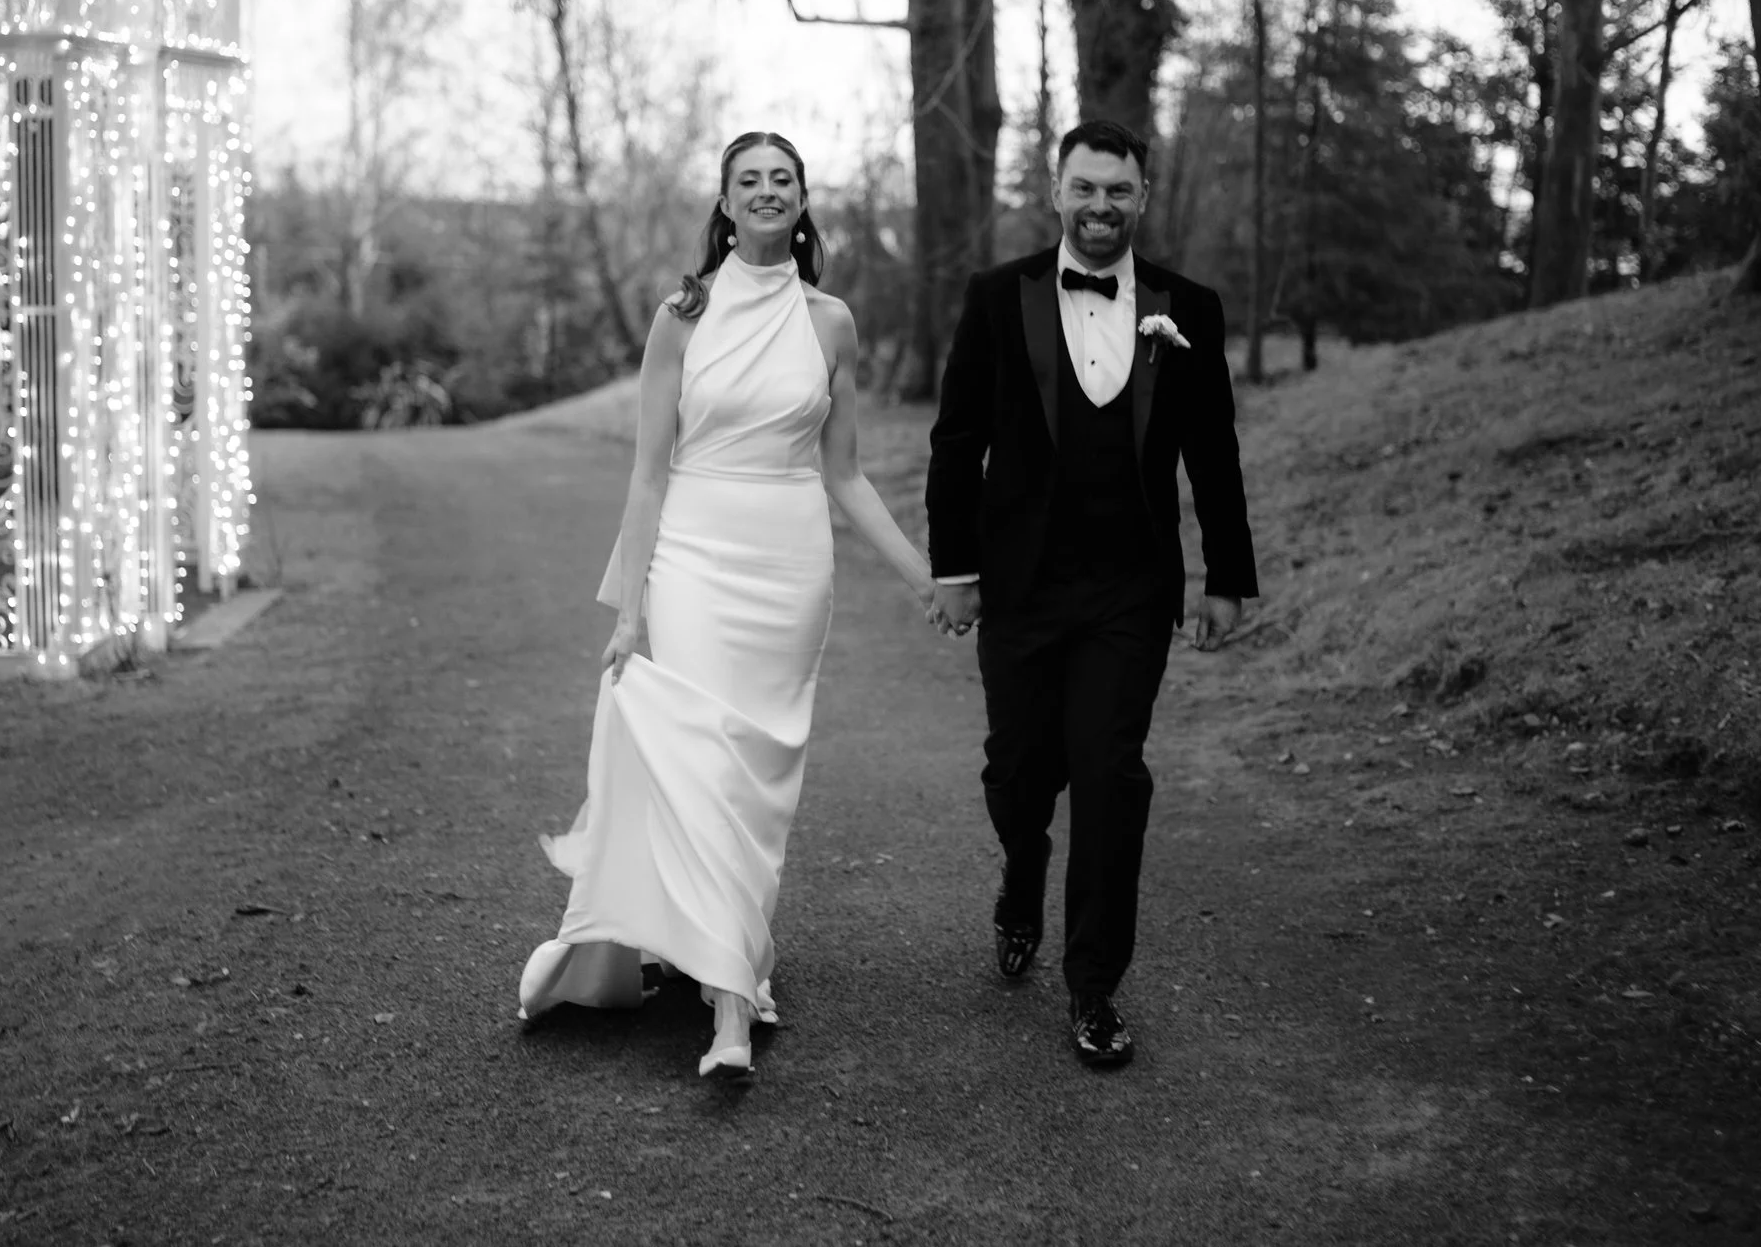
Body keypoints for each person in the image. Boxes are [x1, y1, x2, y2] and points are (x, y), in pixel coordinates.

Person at [518, 131, 937, 1082]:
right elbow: (647, 471)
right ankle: (730, 1006)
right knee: (701, 765)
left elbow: (848, 473)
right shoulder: (682, 314)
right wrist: (631, 608)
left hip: (791, 571)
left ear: (801, 200)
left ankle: (734, 957)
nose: (766, 191)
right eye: (748, 179)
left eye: (781, 178)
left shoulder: (832, 322)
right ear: (724, 200)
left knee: (755, 785)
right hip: (695, 560)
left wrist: (924, 576)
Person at [925, 118, 1258, 1068]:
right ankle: (1022, 869)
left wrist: (1226, 577)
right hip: (1022, 585)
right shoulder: (998, 297)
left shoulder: (1187, 304)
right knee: (1017, 773)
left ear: (1142, 197)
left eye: (1119, 191)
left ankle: (1095, 988)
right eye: (1086, 188)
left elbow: (1214, 452)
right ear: (1056, 190)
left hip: (1130, 589)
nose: (1101, 206)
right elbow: (956, 441)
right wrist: (956, 571)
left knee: (1111, 776)